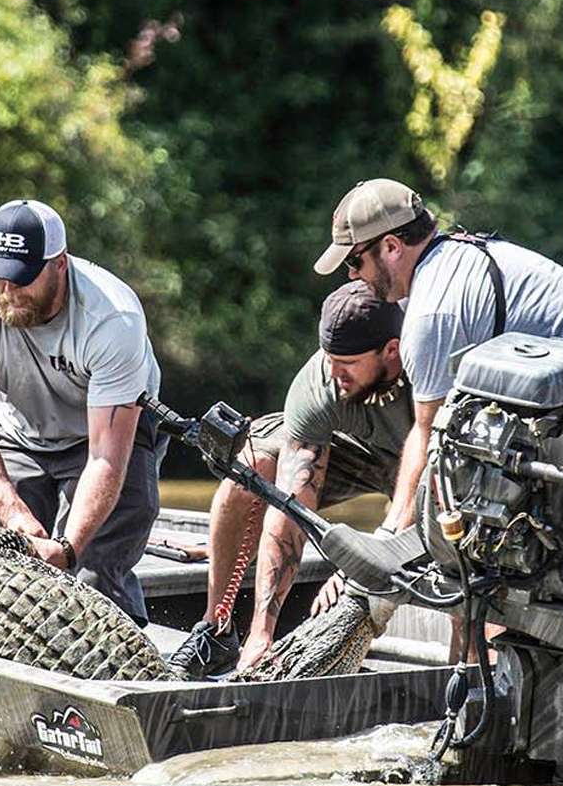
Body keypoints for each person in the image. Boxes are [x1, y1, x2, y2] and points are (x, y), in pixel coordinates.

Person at [312, 177, 563, 538]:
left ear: (391, 247)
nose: (353, 275)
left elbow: (431, 446)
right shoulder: (456, 255)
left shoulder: (432, 314)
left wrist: (385, 543)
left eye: (355, 261)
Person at [166, 281, 413, 679]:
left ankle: (469, 673)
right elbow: (290, 506)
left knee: (462, 551)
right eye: (329, 359)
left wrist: (359, 563)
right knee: (250, 469)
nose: (334, 373)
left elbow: (438, 496)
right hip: (355, 448)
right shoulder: (320, 381)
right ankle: (218, 631)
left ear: (391, 350)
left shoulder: (430, 366)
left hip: (427, 460)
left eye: (347, 363)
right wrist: (261, 634)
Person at [0, 199, 165, 624]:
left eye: (22, 279)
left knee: (92, 574)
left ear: (59, 264)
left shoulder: (113, 318)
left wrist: (68, 548)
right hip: (16, 432)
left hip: (103, 439)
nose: (7, 290)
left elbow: (106, 456)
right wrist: (13, 511)